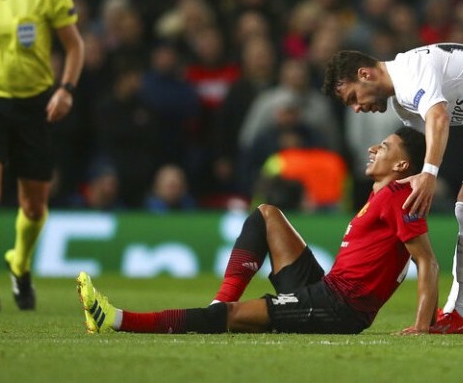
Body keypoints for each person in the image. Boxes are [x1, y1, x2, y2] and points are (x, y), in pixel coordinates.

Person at [78, 127, 440, 335]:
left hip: (339, 308)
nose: (374, 147)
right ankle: (220, 302)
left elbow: (427, 261)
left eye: (386, 146)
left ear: (402, 164)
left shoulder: (399, 196)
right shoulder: (381, 197)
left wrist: (422, 324)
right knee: (266, 215)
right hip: (327, 290)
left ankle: (116, 318)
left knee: (232, 318)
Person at [322, 43, 463, 333]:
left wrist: (429, 175)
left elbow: (438, 117)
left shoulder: (410, 73)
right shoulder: (403, 101)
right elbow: (415, 152)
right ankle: (459, 313)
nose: (356, 108)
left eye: (353, 97)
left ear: (365, 74)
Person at [0, 0, 84, 311]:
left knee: (34, 205)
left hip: (35, 104)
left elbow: (74, 46)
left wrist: (67, 89)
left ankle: (19, 263)